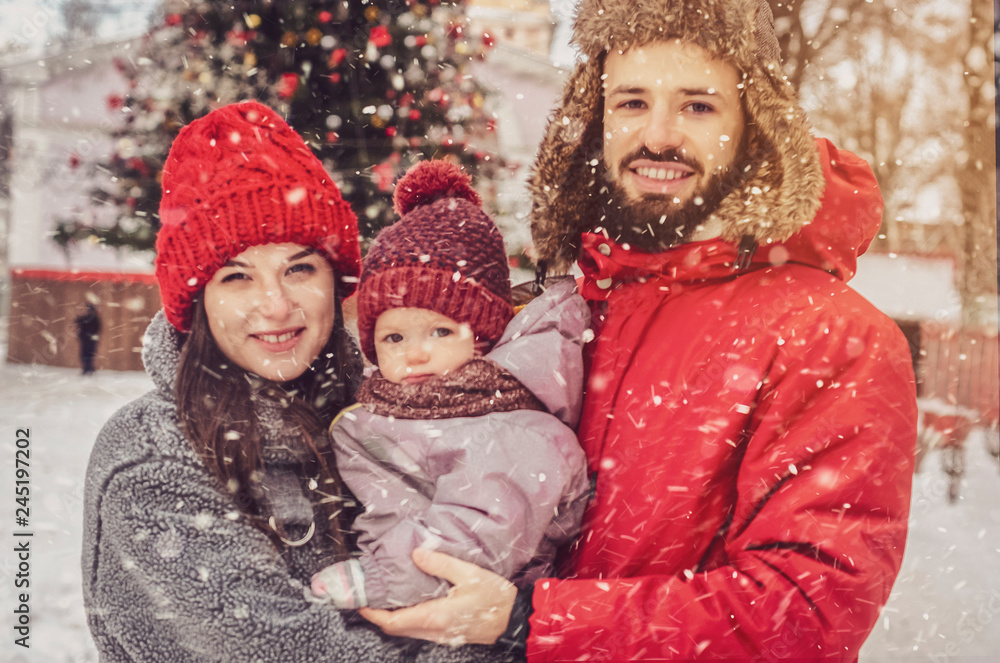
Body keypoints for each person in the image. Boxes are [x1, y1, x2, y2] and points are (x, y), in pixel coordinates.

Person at [360, 0, 918, 660]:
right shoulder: (570, 308)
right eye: (630, 102)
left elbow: (804, 611)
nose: (658, 134)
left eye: (698, 105)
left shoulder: (833, 337)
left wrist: (532, 620)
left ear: (755, 123)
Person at [81, 101, 513, 663]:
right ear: (198, 303)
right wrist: (512, 633)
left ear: (335, 279)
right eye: (237, 276)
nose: (276, 304)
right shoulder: (151, 458)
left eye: (299, 268)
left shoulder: (388, 412)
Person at [308, 160, 590, 611]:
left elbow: (480, 529)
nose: (415, 353)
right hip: (407, 598)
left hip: (471, 612)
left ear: (482, 337)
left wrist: (376, 579)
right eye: (394, 338)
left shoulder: (517, 428)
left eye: (439, 332)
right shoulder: (379, 408)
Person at [75, 301, 101, 375]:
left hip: (89, 340)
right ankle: (88, 368)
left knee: (87, 355)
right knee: (86, 355)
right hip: (87, 339)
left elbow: (96, 329)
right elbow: (76, 321)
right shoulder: (85, 318)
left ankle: (88, 368)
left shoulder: (94, 319)